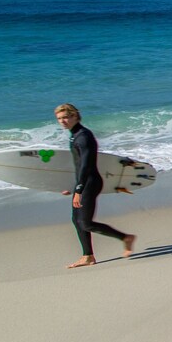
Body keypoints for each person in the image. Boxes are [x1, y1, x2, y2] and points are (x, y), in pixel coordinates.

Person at [54, 104, 136, 268]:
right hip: (83, 183)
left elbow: (86, 166)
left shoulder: (83, 136)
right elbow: (78, 167)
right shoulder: (74, 135)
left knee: (85, 223)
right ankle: (88, 256)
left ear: (75, 116)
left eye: (66, 117)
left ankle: (125, 237)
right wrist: (73, 186)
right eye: (59, 118)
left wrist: (78, 190)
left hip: (90, 183)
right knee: (77, 221)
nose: (62, 121)